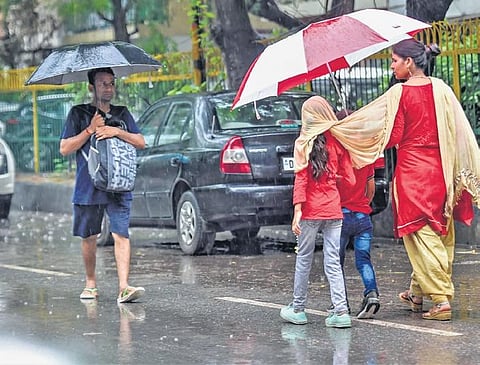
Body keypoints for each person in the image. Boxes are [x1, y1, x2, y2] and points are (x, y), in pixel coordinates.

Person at [329, 38, 480, 322]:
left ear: (409, 63)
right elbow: (457, 131)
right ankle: (417, 292)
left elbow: (393, 135)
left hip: (412, 173)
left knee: (419, 233)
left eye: (394, 60)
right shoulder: (443, 90)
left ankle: (441, 298)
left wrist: (350, 128)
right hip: (441, 171)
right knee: (438, 230)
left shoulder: (400, 93)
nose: (392, 65)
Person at [59, 67, 146, 304]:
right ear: (91, 87)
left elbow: (140, 142)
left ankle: (124, 286)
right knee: (89, 236)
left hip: (118, 183)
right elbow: (65, 148)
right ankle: (90, 283)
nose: (108, 87)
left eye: (111, 83)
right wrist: (90, 129)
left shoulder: (122, 113)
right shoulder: (78, 113)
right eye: (102, 83)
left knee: (121, 233)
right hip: (89, 185)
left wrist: (115, 130)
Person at [280, 96, 356, 328]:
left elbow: (301, 179)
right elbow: (350, 179)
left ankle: (298, 309)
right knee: (332, 261)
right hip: (333, 209)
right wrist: (335, 180)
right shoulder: (336, 141)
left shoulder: (303, 142)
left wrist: (297, 211)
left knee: (304, 259)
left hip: (310, 211)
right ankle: (341, 312)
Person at [335, 109, 381, 319]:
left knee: (336, 262)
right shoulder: (365, 154)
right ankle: (371, 294)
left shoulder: (335, 153)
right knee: (364, 260)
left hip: (340, 217)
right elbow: (370, 188)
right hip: (363, 217)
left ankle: (340, 303)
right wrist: (362, 204)